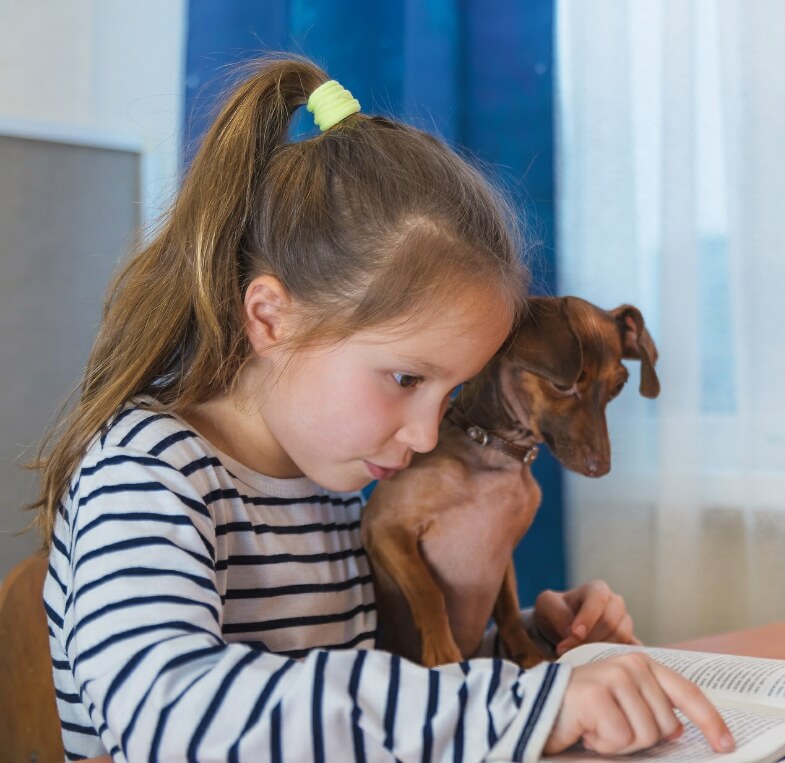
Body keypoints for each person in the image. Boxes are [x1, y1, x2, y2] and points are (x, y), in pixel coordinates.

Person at [29, 55, 733, 762]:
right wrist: (521, 709)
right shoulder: (147, 474)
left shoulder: (328, 488)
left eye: (449, 392)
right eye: (404, 377)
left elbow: (367, 703)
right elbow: (172, 713)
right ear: (272, 318)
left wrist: (535, 646)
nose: (428, 433)